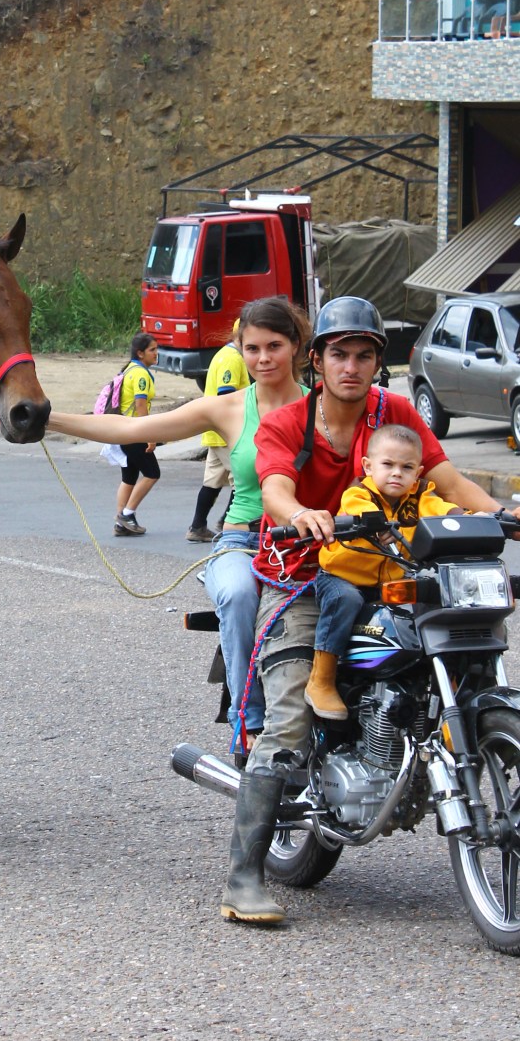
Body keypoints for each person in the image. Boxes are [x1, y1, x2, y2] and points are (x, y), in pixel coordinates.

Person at [219, 296, 520, 928]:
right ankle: (243, 874)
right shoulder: (287, 423)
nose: (351, 367)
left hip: (394, 573)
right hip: (308, 577)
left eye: (363, 355)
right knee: (292, 714)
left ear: (378, 363)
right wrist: (298, 513)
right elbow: (274, 485)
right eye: (339, 354)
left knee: (466, 647)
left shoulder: (398, 414)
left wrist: (504, 518)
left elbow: (450, 482)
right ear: (316, 361)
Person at [48, 298, 311, 747]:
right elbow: (128, 429)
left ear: (297, 346)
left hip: (312, 541)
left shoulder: (324, 407)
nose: (263, 359)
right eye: (252, 349)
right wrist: (44, 417)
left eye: (274, 346)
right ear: (238, 350)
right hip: (244, 540)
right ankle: (247, 718)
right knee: (237, 593)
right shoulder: (227, 408)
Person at [308, 424, 464, 720]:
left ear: (418, 472)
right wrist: (374, 524)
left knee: (438, 599)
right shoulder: (358, 495)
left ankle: (443, 683)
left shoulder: (421, 498)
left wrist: (480, 517)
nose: (397, 473)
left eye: (406, 467)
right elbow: (361, 515)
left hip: (391, 581)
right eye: (388, 464)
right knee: (346, 601)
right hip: (343, 577)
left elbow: (445, 510)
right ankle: (322, 679)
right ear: (368, 466)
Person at [186, 320, 250, 544]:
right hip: (227, 433)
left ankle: (198, 526)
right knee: (244, 479)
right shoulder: (232, 359)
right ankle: (228, 523)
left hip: (215, 432)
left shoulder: (224, 354)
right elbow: (226, 394)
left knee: (212, 482)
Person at [113, 333, 161, 536]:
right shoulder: (140, 374)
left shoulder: (129, 369)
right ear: (140, 353)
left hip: (122, 430)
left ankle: (121, 522)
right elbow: (140, 405)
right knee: (152, 473)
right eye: (152, 350)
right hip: (134, 431)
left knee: (129, 477)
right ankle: (127, 514)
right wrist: (149, 434)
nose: (156, 354)